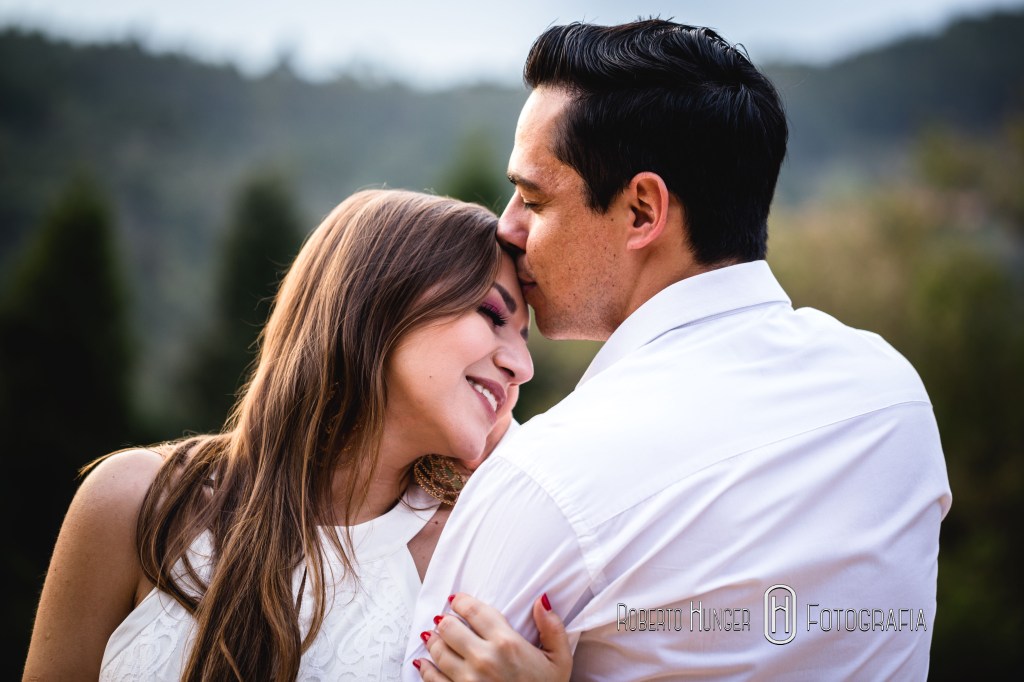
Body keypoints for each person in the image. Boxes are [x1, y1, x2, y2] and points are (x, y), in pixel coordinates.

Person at [407, 20, 952, 680]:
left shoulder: (550, 481)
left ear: (641, 211)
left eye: (533, 197)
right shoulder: (891, 398)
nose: (508, 226)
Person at [22, 189, 569, 681]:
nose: (523, 366)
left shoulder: (469, 561)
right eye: (494, 315)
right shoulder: (136, 503)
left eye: (524, 339)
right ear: (379, 301)